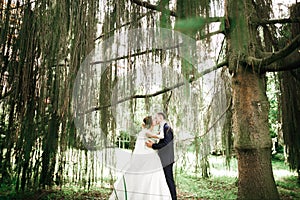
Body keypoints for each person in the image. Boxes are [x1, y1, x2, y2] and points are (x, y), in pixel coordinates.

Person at [109, 116, 172, 200]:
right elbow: (161, 137)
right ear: (151, 123)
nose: (156, 121)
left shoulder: (146, 131)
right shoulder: (146, 132)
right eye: (154, 120)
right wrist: (162, 128)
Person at [146, 112, 177, 200]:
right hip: (163, 158)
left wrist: (153, 146)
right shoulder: (163, 128)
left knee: (169, 179)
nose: (155, 120)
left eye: (156, 118)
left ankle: (173, 198)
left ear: (161, 118)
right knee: (165, 179)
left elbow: (166, 144)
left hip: (167, 159)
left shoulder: (167, 128)